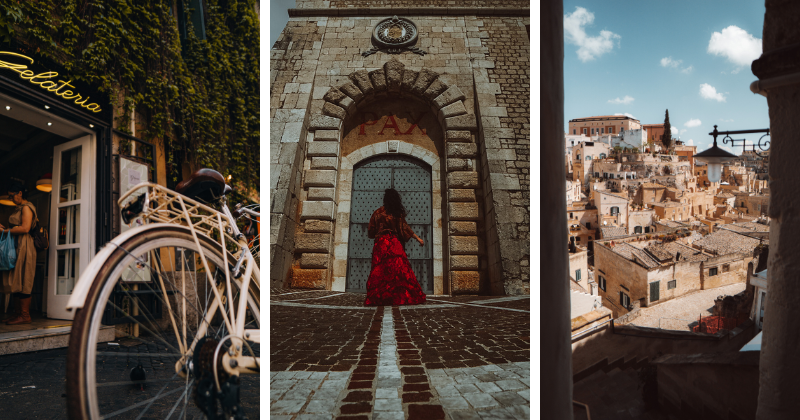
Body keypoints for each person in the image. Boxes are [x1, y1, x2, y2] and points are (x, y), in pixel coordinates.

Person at [364, 188, 427, 306]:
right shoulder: (397, 213)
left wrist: (378, 233)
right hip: (394, 244)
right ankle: (399, 296)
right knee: (399, 270)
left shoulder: (377, 212)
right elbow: (405, 228)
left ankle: (380, 297)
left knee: (380, 270)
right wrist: (418, 238)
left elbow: (371, 231)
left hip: (381, 244)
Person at [1, 182, 37, 325]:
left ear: (20, 193)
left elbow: (25, 228)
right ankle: (17, 314)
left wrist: (4, 231)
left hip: (25, 245)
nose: (10, 198)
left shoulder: (27, 207)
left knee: (24, 277)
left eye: (12, 196)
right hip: (17, 244)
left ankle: (24, 315)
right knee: (17, 278)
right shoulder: (19, 208)